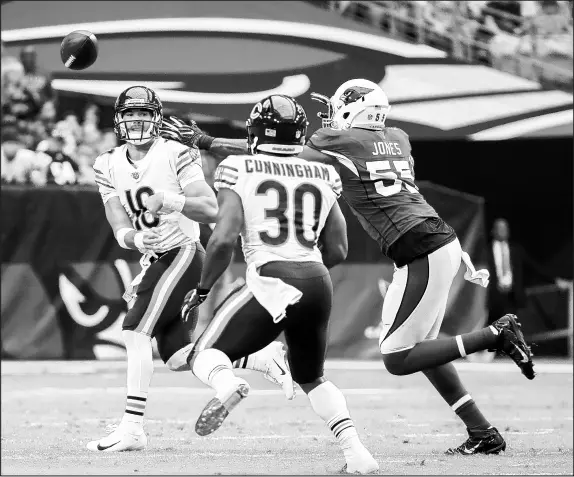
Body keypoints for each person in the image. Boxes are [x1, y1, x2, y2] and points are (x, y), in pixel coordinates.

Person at [161, 78, 536, 456]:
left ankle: (494, 335)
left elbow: (278, 150)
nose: (329, 117)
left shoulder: (341, 142)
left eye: (337, 108)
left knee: (398, 356)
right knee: (423, 349)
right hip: (434, 238)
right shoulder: (399, 138)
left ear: (353, 109)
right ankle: (482, 430)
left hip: (418, 248)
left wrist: (208, 143)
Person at [86, 86, 293, 453]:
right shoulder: (107, 163)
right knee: (179, 357)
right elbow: (117, 219)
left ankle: (132, 427)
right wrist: (134, 240)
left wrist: (170, 200)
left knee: (134, 331)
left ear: (157, 118)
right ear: (119, 120)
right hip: (157, 257)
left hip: (182, 251)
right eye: (130, 114)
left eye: (144, 114)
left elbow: (211, 209)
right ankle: (264, 358)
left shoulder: (176, 152)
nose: (137, 121)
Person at [179, 94, 378, 474]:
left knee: (203, 354)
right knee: (312, 377)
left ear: (255, 132)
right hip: (317, 279)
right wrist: (308, 273)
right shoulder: (322, 172)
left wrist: (203, 289)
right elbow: (338, 246)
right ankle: (357, 453)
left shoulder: (238, 166)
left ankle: (228, 386)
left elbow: (222, 239)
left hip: (271, 276)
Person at [487, 217, 571, 325]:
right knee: (492, 333)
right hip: (493, 301)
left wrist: (555, 280)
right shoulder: (486, 251)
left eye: (506, 227)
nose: (504, 230)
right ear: (493, 231)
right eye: (500, 228)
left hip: (513, 299)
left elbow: (535, 267)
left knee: (511, 331)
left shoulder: (516, 249)